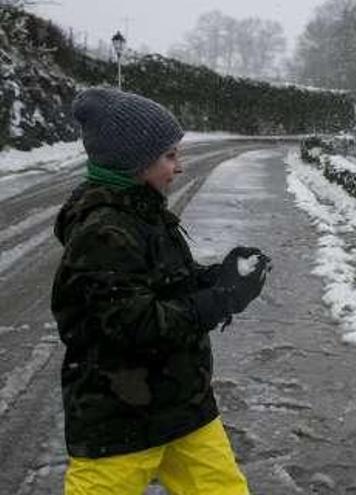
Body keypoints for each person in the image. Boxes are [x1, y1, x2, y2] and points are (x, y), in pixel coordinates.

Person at [52, 87, 270, 494]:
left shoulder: (144, 213)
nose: (180, 167)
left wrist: (220, 277)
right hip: (118, 419)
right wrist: (223, 299)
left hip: (182, 406)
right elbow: (136, 324)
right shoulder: (104, 232)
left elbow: (165, 286)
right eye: (170, 156)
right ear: (134, 164)